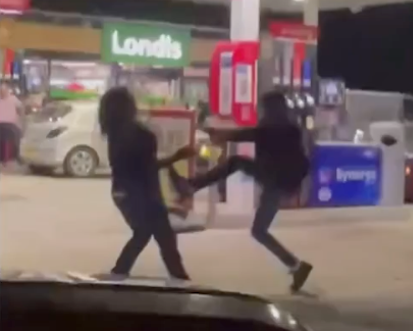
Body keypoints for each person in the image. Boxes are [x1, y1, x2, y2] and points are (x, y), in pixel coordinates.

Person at [169, 90, 312, 292]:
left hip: (275, 180)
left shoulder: (271, 129)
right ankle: (296, 266)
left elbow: (245, 134)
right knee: (259, 231)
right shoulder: (292, 129)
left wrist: (219, 135)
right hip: (281, 183)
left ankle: (191, 186)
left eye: (263, 108)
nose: (262, 112)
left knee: (236, 163)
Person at [98, 86, 194, 281]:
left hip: (122, 193)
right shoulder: (141, 134)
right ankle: (181, 281)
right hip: (144, 193)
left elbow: (137, 166)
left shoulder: (114, 134)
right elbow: (149, 168)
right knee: (163, 239)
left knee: (144, 233)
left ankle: (119, 274)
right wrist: (177, 157)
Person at [0, 83, 23, 168]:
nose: (2, 93)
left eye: (3, 91)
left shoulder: (13, 99)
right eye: (1, 91)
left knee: (19, 135)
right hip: (2, 124)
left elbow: (20, 108)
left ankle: (16, 156)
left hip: (10, 124)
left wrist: (19, 115)